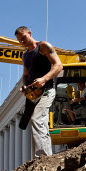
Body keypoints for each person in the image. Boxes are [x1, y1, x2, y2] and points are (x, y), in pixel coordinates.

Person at [15, 26, 63, 158]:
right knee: (36, 123)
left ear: (29, 33)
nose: (22, 41)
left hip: (47, 90)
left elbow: (59, 65)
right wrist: (25, 87)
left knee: (36, 119)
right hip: (33, 93)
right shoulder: (25, 55)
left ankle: (42, 157)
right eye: (19, 40)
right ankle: (44, 158)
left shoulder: (43, 46)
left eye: (23, 38)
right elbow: (25, 75)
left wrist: (44, 79)